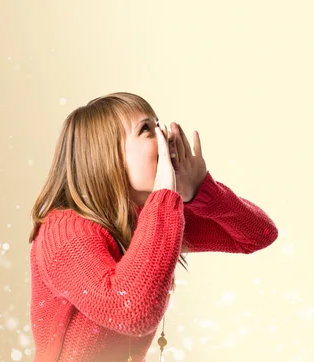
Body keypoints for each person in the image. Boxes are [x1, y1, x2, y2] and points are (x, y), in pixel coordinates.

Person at [27, 92, 278, 361]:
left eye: (159, 123)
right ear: (106, 157)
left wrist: (200, 191)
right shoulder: (65, 232)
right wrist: (164, 197)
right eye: (147, 129)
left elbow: (258, 234)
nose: (165, 135)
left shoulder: (147, 217)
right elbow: (130, 311)